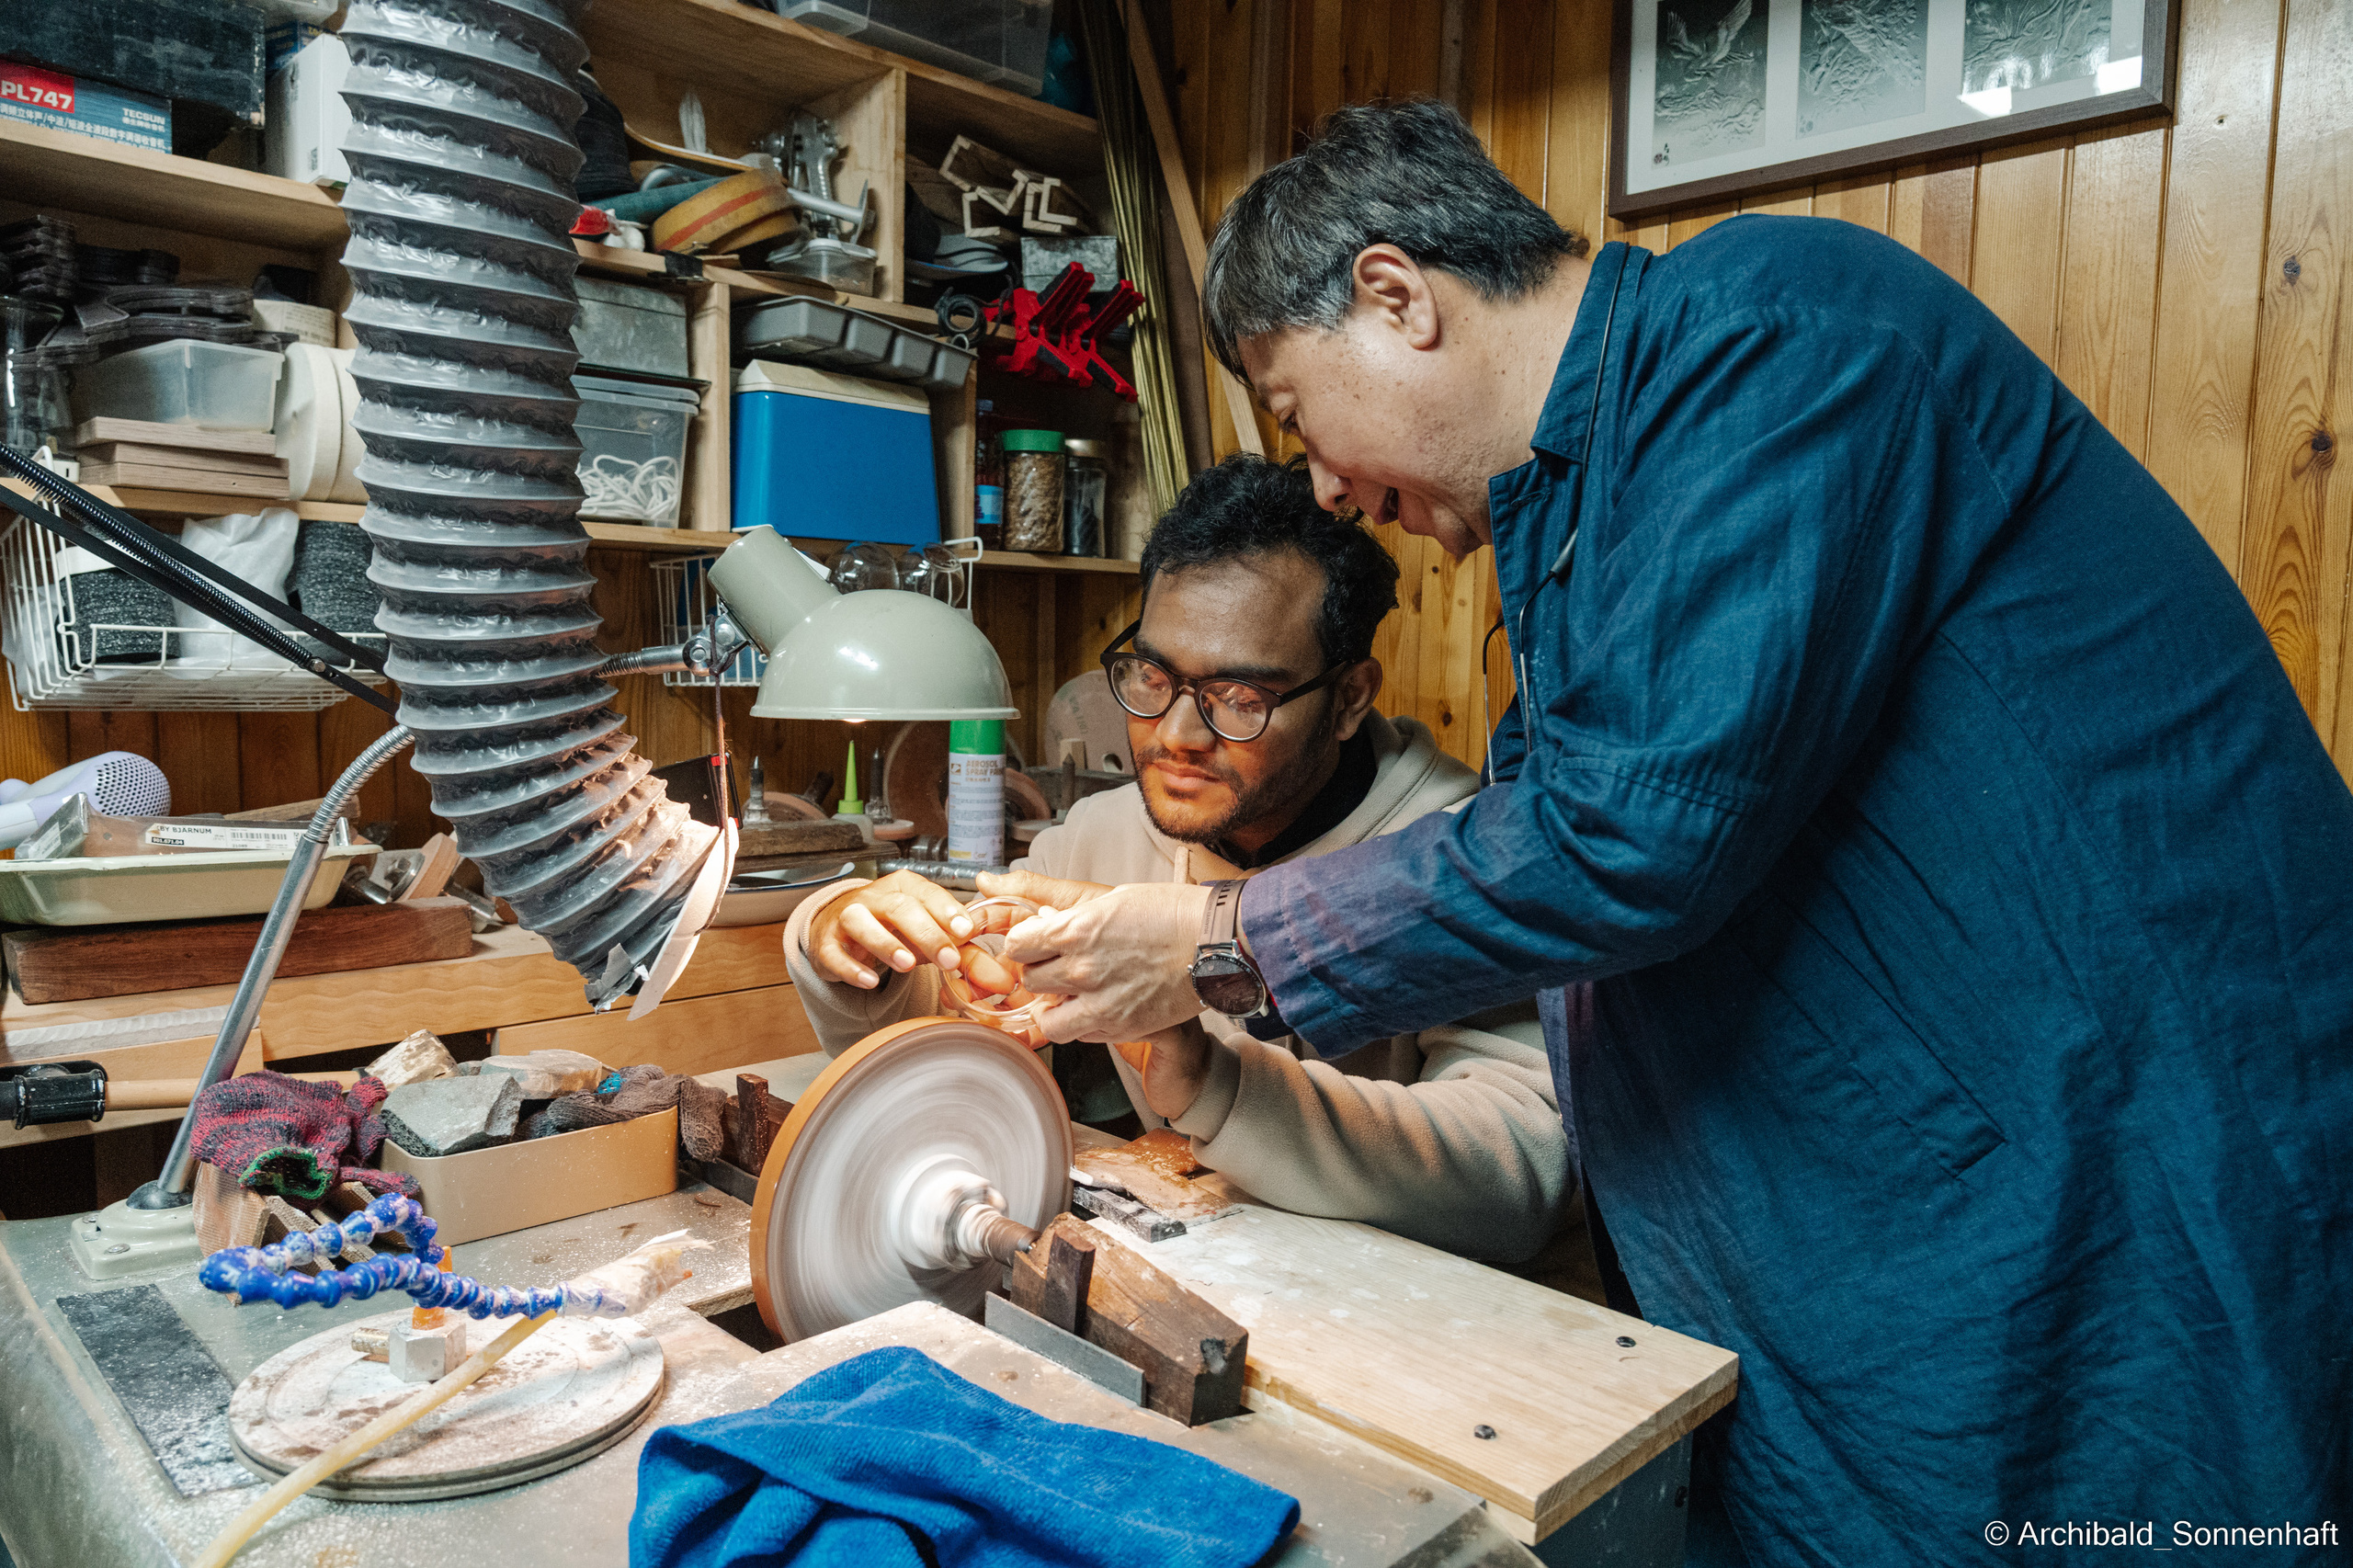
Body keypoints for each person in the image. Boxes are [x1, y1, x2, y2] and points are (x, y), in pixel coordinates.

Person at [992, 102, 2353, 1563]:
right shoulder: (1588, 501)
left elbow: (1631, 835)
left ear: (1396, 298)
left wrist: (1217, 940)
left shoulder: (1779, 339)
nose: (1323, 482)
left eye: (1292, 406)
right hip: (1861, 1227)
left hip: (2100, 1161)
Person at [783, 454, 1574, 1267]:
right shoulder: (1099, 837)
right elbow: (957, 1050)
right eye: (1153, 676)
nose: (1175, 737)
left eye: (1239, 699)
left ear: (1348, 699)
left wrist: (1212, 1080)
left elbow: (1522, 1173)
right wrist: (852, 947)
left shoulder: (1466, 853)